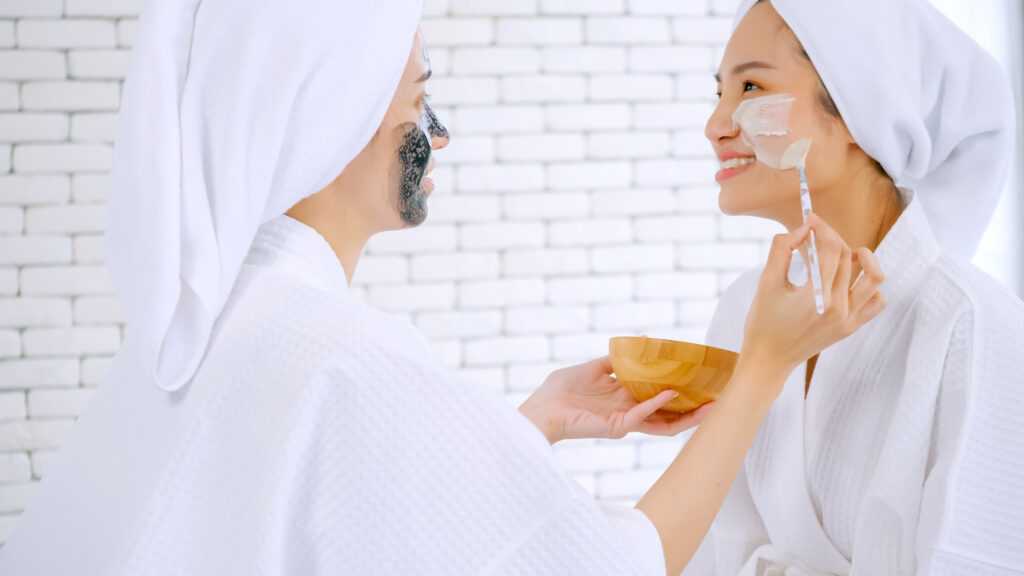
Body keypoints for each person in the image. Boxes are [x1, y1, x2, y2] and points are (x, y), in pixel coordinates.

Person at [0, 1, 884, 574]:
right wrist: (765, 363)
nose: (440, 134)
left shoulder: (204, 331)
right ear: (330, 111)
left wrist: (521, 427)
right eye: (420, 98)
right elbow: (601, 567)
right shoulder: (343, 364)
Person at [686, 0, 1024, 574]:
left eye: (749, 86)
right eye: (719, 93)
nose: (716, 125)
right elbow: (715, 543)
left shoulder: (971, 322)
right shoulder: (746, 307)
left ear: (855, 108)